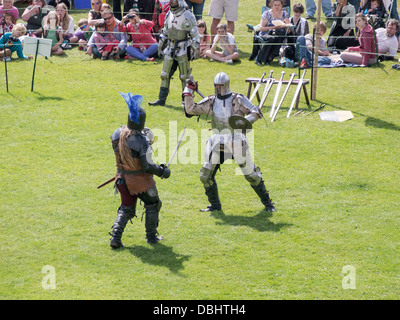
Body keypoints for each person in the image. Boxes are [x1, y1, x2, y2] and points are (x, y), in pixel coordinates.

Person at [182, 72, 276, 213]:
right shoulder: (211, 101)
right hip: (217, 141)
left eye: (220, 86)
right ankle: (215, 205)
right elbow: (190, 110)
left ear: (226, 85)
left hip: (237, 141)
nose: (218, 89)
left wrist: (245, 120)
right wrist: (188, 91)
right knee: (205, 176)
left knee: (252, 176)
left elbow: (256, 112)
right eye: (216, 86)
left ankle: (268, 204)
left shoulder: (238, 99)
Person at [109, 92, 171, 248]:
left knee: (127, 208)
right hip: (139, 182)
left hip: (121, 179)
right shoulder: (141, 141)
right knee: (153, 204)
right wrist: (163, 171)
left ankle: (115, 238)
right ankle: (151, 237)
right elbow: (148, 166)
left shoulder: (118, 133)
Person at [149, 0, 200, 107]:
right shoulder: (169, 13)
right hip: (170, 48)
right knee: (164, 75)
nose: (171, 1)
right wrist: (160, 47)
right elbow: (165, 32)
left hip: (183, 48)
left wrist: (196, 50)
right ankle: (161, 100)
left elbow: (194, 35)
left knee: (184, 76)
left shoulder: (187, 14)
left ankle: (185, 102)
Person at [255, 0, 290, 66]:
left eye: (279, 5)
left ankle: (269, 58)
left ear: (282, 5)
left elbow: (288, 32)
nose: (277, 7)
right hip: (266, 33)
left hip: (279, 35)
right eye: (275, 5)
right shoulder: (267, 14)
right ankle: (259, 59)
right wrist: (273, 28)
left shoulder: (285, 14)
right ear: (272, 6)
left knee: (280, 35)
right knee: (271, 38)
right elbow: (261, 28)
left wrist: (287, 25)